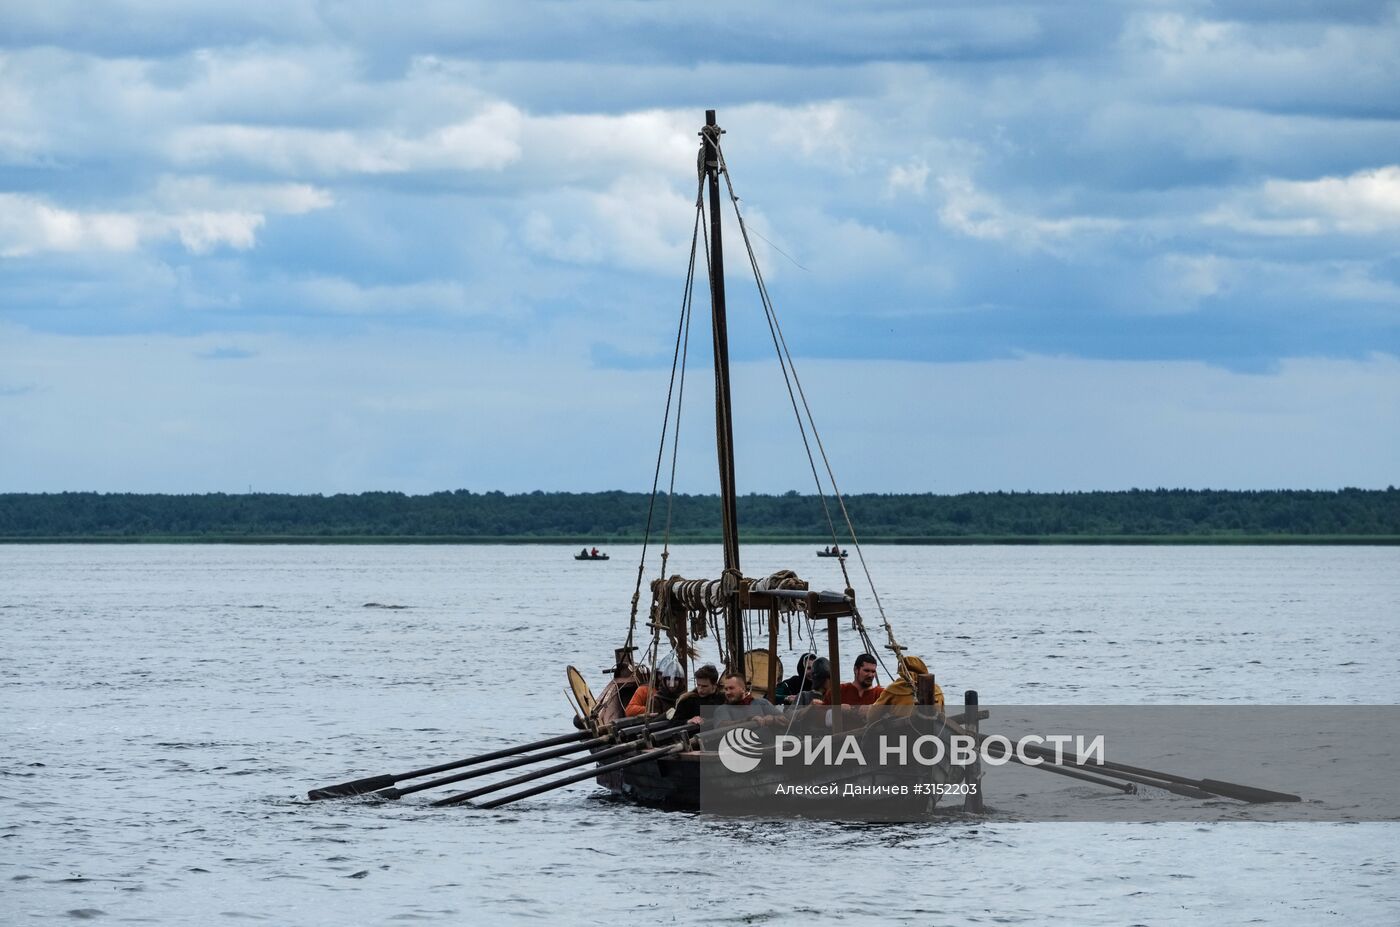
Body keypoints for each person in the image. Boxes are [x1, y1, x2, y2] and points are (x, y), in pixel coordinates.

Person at [872, 655, 944, 711]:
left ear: (901, 671)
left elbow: (872, 715)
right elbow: (942, 714)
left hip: (902, 728)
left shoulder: (893, 688)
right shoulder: (937, 689)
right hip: (934, 727)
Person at [711, 671, 783, 726]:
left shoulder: (761, 703)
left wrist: (773, 719)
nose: (727, 692)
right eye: (726, 689)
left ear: (743, 689)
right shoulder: (722, 709)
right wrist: (749, 721)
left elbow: (785, 719)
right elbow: (722, 726)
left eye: (731, 688)